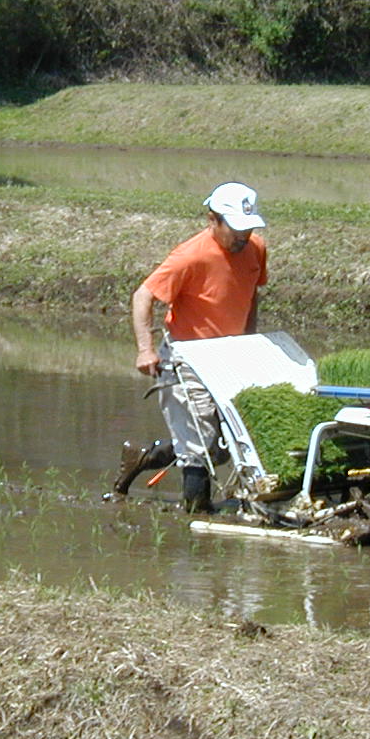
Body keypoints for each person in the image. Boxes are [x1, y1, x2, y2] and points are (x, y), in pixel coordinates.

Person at [113, 182, 268, 512]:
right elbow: (143, 296)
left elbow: (251, 295)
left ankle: (144, 454)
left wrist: (249, 343)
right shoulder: (190, 255)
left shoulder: (255, 248)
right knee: (198, 446)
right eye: (235, 229)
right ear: (213, 220)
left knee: (228, 442)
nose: (243, 237)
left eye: (248, 228)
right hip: (188, 356)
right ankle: (198, 516)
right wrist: (145, 349)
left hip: (230, 355)